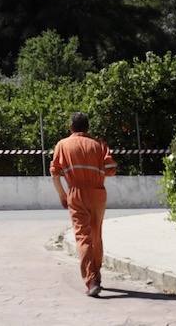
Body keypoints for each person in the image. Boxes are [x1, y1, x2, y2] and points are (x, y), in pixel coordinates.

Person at [50, 111, 117, 297]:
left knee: (83, 237)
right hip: (98, 193)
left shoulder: (62, 145)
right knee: (96, 235)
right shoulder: (99, 144)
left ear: (71, 127)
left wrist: (63, 195)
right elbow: (111, 169)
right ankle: (97, 273)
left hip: (76, 193)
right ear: (87, 127)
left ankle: (91, 279)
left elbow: (55, 174)